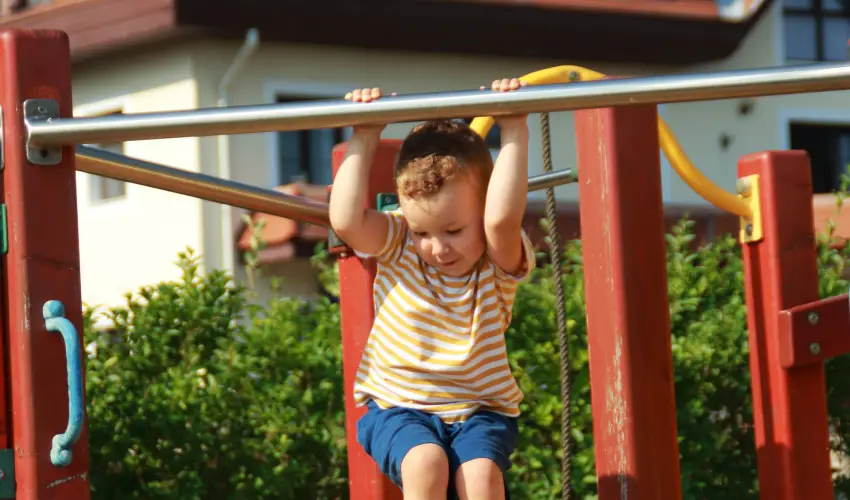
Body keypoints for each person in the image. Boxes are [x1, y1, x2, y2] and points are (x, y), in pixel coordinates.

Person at [328, 77, 535, 500]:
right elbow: (347, 221)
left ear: (482, 210)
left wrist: (513, 128)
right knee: (425, 462)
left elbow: (499, 221)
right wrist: (364, 134)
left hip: (480, 411)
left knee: (479, 477)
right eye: (423, 230)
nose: (437, 248)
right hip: (397, 407)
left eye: (454, 229)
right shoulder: (399, 242)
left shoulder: (496, 261)